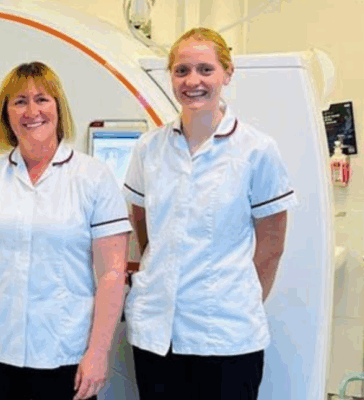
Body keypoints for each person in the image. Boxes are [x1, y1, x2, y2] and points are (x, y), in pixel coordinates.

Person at [123, 27, 296, 400]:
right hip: (156, 335)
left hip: (227, 337)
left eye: (205, 69)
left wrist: (234, 299)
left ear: (227, 73)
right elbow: (145, 228)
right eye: (182, 71)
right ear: (171, 76)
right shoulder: (149, 148)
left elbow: (271, 246)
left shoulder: (256, 150)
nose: (193, 81)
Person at [0, 62, 131, 400]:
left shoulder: (93, 177)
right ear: (7, 114)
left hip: (64, 351)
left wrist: (98, 353)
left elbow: (112, 273)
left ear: (58, 107)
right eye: (19, 102)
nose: (32, 111)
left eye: (42, 99)